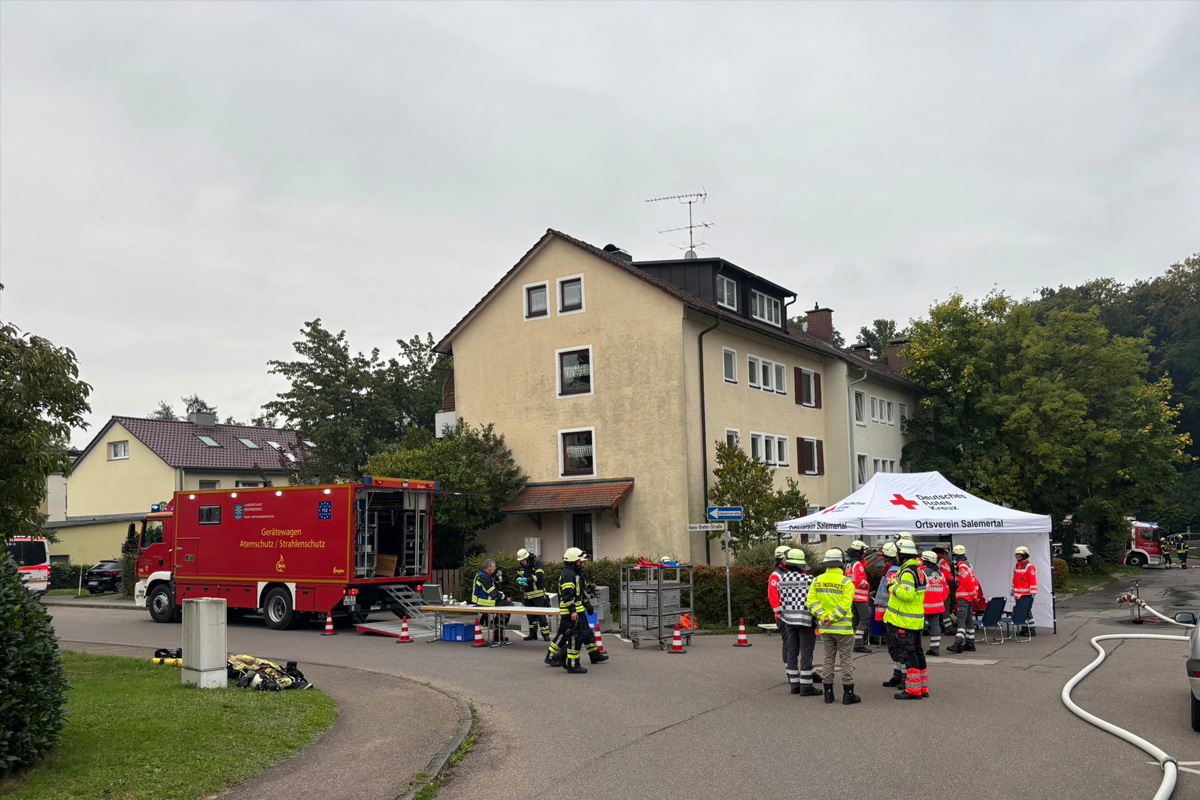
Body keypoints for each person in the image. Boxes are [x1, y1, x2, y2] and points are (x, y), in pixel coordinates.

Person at [806, 548, 861, 705]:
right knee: (845, 660)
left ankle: (828, 693)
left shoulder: (817, 581)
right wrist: (833, 617)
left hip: (825, 628)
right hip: (843, 628)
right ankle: (848, 693)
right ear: (841, 564)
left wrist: (824, 616)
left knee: (828, 659)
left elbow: (811, 602)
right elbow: (845, 604)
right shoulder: (846, 582)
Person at [545, 547, 608, 673]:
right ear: (574, 561)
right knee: (567, 636)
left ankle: (594, 655)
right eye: (581, 560)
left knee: (586, 634)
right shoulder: (569, 574)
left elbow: (580, 592)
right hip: (569, 611)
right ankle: (553, 656)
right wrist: (573, 610)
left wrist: (587, 603)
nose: (583, 563)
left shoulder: (577, 573)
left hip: (577, 609)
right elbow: (568, 595)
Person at [885, 541, 928, 700]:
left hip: (905, 621)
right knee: (917, 653)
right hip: (915, 620)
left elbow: (907, 595)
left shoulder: (908, 572)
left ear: (902, 555)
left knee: (909, 655)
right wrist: (897, 584)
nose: (895, 556)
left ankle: (913, 690)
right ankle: (922, 687)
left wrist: (891, 587)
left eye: (897, 554)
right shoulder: (918, 570)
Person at [777, 548, 819, 696]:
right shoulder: (810, 580)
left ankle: (794, 684)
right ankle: (806, 685)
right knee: (806, 650)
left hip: (788, 619)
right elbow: (814, 600)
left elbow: (782, 600)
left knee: (792, 650)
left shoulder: (781, 580)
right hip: (806, 619)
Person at [875, 542, 905, 688]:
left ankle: (904, 676)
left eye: (884, 557)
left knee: (898, 646)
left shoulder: (893, 571)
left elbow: (893, 592)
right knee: (893, 646)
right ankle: (897, 674)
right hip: (888, 614)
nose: (882, 560)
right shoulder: (890, 570)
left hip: (892, 614)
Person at [946, 545, 981, 653]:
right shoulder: (968, 565)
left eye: (955, 555)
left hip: (965, 598)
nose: (954, 558)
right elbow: (975, 581)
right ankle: (970, 643)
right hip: (969, 598)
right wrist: (974, 596)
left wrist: (973, 596)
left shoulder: (962, 567)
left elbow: (968, 583)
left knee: (961, 621)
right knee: (969, 621)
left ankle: (958, 643)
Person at [471, 559, 513, 643]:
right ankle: (496, 628)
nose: (495, 568)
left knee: (505, 609)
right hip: (484, 602)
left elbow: (492, 584)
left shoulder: (484, 575)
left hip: (486, 601)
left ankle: (497, 631)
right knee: (509, 605)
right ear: (489, 567)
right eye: (494, 567)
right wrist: (505, 598)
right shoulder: (483, 577)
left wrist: (497, 577)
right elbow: (492, 592)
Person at [515, 548, 551, 642]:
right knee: (530, 616)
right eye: (521, 561)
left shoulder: (536, 563)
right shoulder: (521, 566)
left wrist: (527, 579)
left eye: (523, 560)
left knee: (541, 616)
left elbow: (539, 576)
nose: (522, 562)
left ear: (527, 558)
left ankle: (545, 635)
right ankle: (533, 634)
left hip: (538, 595)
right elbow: (518, 576)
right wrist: (519, 580)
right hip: (527, 595)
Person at [846, 540, 873, 654]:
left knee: (855, 620)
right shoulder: (858, 565)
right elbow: (859, 580)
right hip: (860, 597)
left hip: (852, 596)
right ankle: (858, 644)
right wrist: (867, 584)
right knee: (865, 618)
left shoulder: (849, 564)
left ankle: (851, 642)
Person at [919, 551, 949, 657]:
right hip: (937, 605)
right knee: (935, 626)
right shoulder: (941, 574)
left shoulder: (922, 573)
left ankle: (917, 648)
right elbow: (946, 591)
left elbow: (918, 590)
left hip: (924, 606)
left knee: (919, 627)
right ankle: (935, 649)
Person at [768, 544, 792, 665]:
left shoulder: (791, 572)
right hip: (783, 616)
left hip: (793, 614)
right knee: (788, 642)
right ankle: (790, 669)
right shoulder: (776, 575)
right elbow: (773, 597)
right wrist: (779, 613)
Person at [1012, 545, 1038, 635]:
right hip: (1018, 595)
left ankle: (1032, 630)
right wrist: (1013, 590)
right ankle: (1025, 628)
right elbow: (1015, 579)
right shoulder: (1017, 566)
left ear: (1024, 555)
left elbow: (1033, 581)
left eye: (1019, 555)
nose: (1017, 557)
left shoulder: (1029, 567)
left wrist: (1032, 594)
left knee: (1027, 612)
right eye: (1016, 555)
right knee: (1022, 612)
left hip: (1026, 595)